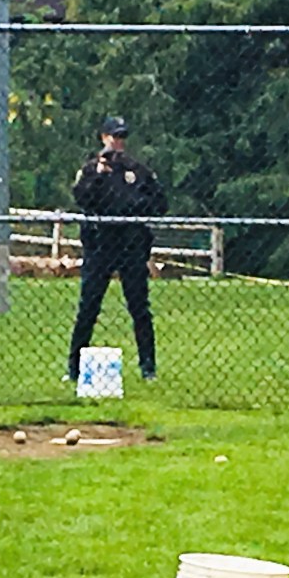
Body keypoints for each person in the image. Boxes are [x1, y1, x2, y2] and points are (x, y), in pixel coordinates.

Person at [68, 116, 168, 382]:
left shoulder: (137, 171)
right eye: (114, 137)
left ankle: (148, 367)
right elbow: (82, 199)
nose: (119, 143)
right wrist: (99, 176)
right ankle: (74, 367)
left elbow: (159, 203)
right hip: (100, 246)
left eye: (122, 137)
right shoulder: (90, 170)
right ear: (104, 138)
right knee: (89, 306)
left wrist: (135, 209)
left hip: (131, 246)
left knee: (139, 307)